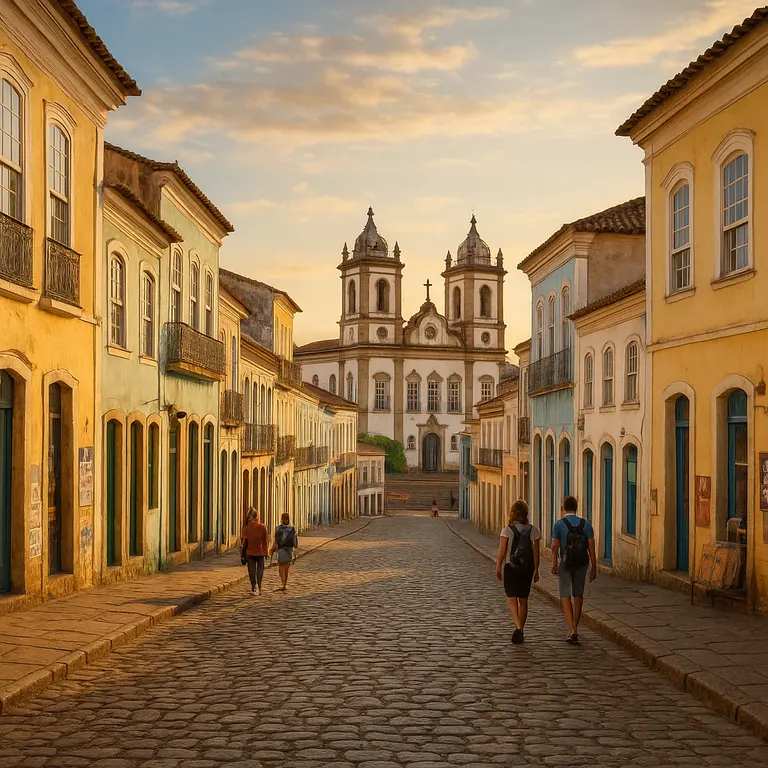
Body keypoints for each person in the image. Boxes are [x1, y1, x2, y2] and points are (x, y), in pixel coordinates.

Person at [551, 496, 597, 644]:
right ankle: (574, 628)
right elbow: (591, 547)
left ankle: (572, 628)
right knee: (578, 595)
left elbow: (555, 546)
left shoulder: (559, 524)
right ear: (576, 508)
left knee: (565, 595)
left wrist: (553, 563)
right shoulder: (586, 524)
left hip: (566, 562)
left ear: (563, 508)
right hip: (582, 563)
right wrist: (594, 566)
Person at [496, 500, 541, 644]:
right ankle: (521, 628)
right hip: (527, 569)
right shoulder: (533, 530)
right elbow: (536, 553)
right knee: (523, 600)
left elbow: (502, 551)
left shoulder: (507, 529)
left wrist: (498, 566)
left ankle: (518, 626)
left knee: (511, 598)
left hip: (511, 567)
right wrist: (536, 570)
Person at [241, 508, 269, 595]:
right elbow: (266, 541)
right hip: (260, 552)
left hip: (250, 552)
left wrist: (242, 554)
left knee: (251, 572)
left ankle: (253, 587)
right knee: (260, 571)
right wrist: (266, 552)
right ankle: (259, 588)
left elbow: (244, 542)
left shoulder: (246, 529)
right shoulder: (263, 527)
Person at [270, 512, 298, 591]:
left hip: (281, 550)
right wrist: (295, 549)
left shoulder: (278, 529)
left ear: (281, 519)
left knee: (281, 569)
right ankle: (284, 584)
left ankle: (283, 584)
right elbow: (295, 541)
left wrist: (272, 550)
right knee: (286, 569)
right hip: (289, 550)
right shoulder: (292, 529)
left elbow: (275, 542)